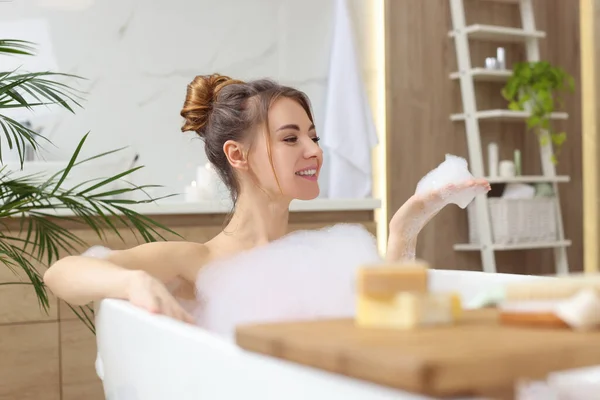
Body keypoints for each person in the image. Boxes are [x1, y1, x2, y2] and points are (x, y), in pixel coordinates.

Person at [43, 74, 490, 324]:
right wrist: (132, 282)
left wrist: (403, 229)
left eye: (313, 136)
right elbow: (61, 273)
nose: (314, 150)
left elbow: (385, 329)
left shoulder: (322, 257)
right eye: (290, 138)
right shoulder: (197, 262)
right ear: (238, 155)